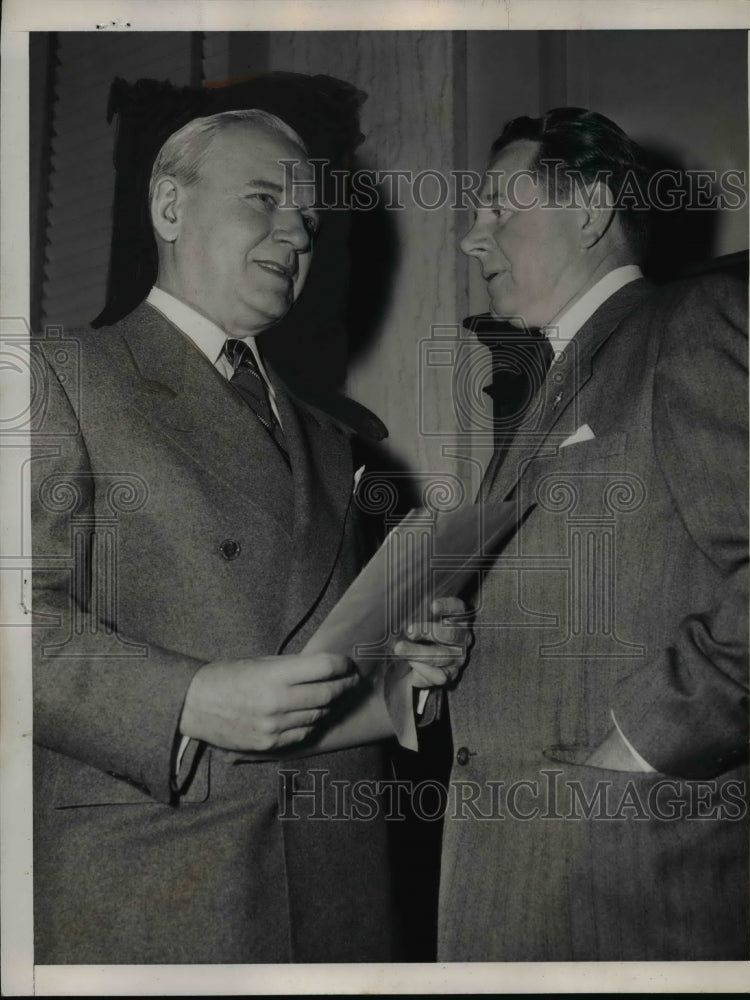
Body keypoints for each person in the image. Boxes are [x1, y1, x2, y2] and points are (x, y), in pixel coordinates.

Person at [31, 108, 468, 964]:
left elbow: (315, 664)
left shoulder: (333, 436)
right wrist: (187, 700)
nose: (293, 232)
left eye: (307, 217)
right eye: (263, 198)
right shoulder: (58, 376)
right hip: (158, 883)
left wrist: (406, 669)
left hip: (340, 886)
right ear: (169, 206)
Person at [436, 107, 749, 960]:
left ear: (590, 210)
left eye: (501, 207)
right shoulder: (554, 381)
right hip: (524, 885)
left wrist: (643, 744)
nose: (473, 237)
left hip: (631, 881)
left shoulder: (690, 326)